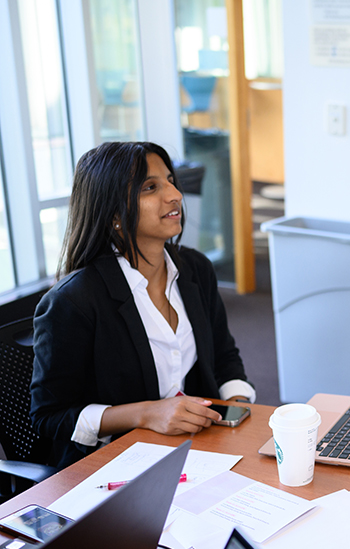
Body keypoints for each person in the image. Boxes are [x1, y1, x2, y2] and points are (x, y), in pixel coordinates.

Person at [31, 141, 256, 469]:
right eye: (150, 187)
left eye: (170, 180)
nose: (174, 195)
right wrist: (146, 413)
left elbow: (223, 356)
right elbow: (49, 417)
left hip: (195, 450)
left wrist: (236, 409)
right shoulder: (74, 301)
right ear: (113, 214)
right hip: (112, 466)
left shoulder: (195, 269)